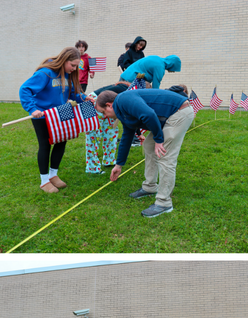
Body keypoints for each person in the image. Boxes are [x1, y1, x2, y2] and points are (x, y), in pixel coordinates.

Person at [95, 88, 195, 218]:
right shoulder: (122, 111)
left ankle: (164, 203)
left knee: (165, 155)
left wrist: (159, 140)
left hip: (180, 113)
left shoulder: (123, 99)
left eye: (104, 112)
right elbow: (126, 137)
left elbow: (149, 115)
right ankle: (150, 186)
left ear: (109, 105)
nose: (105, 116)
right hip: (169, 116)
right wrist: (119, 165)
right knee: (148, 145)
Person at [19, 46, 90, 193]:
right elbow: (25, 89)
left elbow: (72, 92)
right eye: (73, 65)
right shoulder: (46, 73)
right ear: (64, 60)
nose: (75, 69)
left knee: (61, 141)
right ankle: (44, 181)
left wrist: (84, 97)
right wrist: (33, 109)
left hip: (61, 112)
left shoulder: (67, 74)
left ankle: (53, 175)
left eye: (77, 66)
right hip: (43, 115)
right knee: (45, 145)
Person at [84, 81, 131, 174]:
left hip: (107, 105)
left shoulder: (128, 91)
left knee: (111, 132)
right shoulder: (128, 93)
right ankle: (92, 168)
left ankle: (109, 161)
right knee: (93, 137)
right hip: (93, 101)